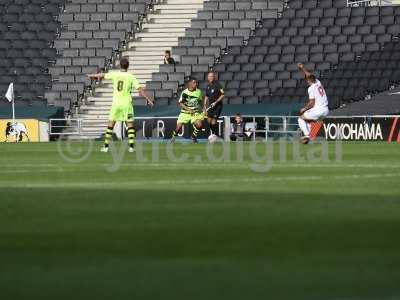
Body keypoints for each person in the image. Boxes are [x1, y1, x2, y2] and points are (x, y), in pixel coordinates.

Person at [88, 57, 154, 153]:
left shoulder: (115, 74)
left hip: (116, 104)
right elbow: (140, 90)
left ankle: (106, 147)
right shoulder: (131, 77)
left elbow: (102, 75)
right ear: (128, 66)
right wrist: (149, 99)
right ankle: (131, 147)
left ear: (120, 65)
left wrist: (92, 75)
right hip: (126, 103)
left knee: (111, 125)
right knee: (130, 125)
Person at [297, 63, 329, 144]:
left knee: (301, 118)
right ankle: (311, 136)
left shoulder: (311, 88)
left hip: (318, 109)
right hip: (326, 110)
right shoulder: (318, 82)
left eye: (307, 80)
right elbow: (309, 75)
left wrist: (304, 108)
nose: (306, 81)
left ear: (308, 81)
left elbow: (312, 102)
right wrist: (303, 68)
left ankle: (307, 136)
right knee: (314, 122)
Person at [171, 77, 205, 143]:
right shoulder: (184, 92)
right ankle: (173, 138)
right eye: (194, 82)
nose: (196, 84)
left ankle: (193, 136)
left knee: (199, 125)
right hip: (185, 113)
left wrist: (203, 109)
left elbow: (201, 101)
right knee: (178, 128)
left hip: (194, 113)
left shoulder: (199, 92)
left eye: (196, 83)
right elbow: (180, 103)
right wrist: (188, 109)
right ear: (190, 84)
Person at [204, 71, 224, 137]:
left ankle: (215, 136)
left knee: (213, 121)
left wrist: (216, 102)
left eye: (212, 76)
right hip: (210, 106)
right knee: (208, 120)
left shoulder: (218, 85)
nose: (211, 77)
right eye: (209, 76)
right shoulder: (208, 86)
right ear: (208, 77)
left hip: (217, 106)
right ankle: (214, 134)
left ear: (214, 77)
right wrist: (204, 104)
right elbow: (206, 96)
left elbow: (222, 95)